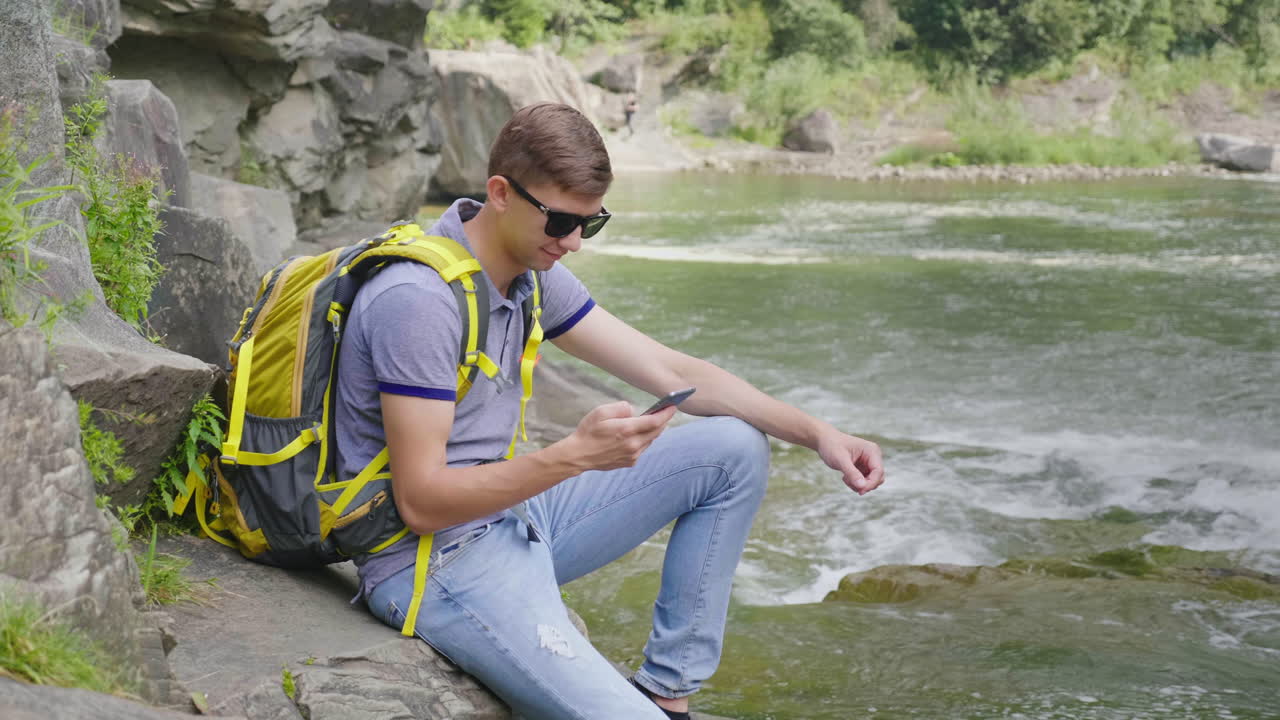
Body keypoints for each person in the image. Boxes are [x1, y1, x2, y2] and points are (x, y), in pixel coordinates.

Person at [335, 102, 884, 720]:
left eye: (590, 225)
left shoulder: (529, 270)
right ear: (499, 193)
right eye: (563, 220)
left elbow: (676, 373)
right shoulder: (418, 302)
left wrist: (819, 434)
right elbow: (422, 502)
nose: (572, 243)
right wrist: (572, 458)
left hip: (513, 518)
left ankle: (666, 692)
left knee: (733, 448)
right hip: (432, 562)